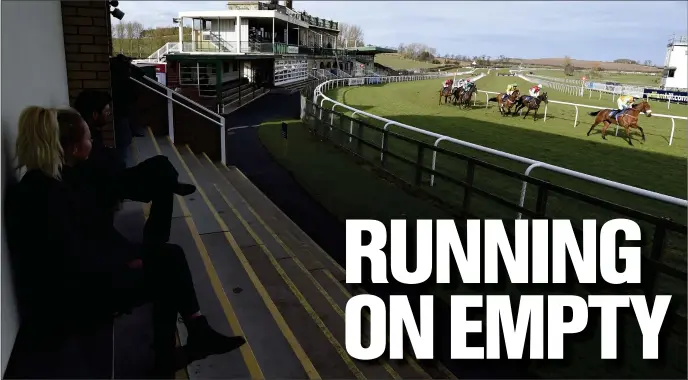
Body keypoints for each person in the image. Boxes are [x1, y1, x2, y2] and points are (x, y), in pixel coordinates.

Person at [6, 106, 246, 377]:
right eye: (87, 138)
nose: (92, 142)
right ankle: (181, 344)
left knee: (170, 258)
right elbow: (72, 259)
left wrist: (127, 254)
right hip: (74, 298)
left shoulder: (51, 182)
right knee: (167, 269)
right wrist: (126, 262)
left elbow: (88, 238)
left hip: (81, 280)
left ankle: (194, 331)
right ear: (73, 148)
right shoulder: (46, 195)